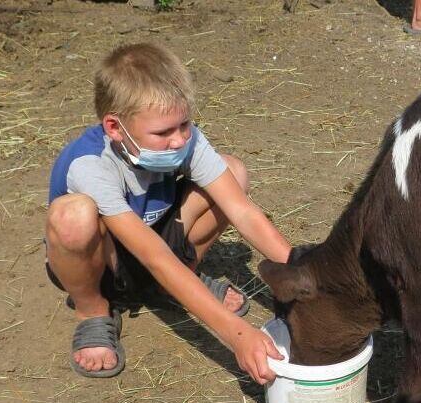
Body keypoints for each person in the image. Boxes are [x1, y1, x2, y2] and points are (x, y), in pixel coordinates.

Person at [45, 42, 288, 384]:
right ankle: (92, 310)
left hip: (161, 241)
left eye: (185, 124)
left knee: (233, 172)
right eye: (163, 132)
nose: (179, 140)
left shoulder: (184, 140)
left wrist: (302, 272)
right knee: (72, 217)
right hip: (107, 262)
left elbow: (241, 210)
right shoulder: (90, 165)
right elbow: (155, 256)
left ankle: (173, 286)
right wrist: (237, 334)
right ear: (115, 128)